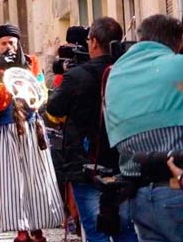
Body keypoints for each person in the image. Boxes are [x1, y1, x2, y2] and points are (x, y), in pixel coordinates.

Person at [44, 18, 137, 242]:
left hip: (87, 164)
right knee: (126, 229)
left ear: (93, 42)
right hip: (124, 160)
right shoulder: (129, 73)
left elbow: (53, 110)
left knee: (96, 231)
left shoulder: (76, 76)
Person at [0, 24, 63, 242]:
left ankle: (38, 227)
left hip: (32, 127)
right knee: (11, 179)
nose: (8, 46)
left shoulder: (32, 62)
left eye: (11, 42)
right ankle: (21, 229)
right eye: (3, 43)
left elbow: (42, 94)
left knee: (37, 177)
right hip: (5, 128)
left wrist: (30, 93)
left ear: (18, 43)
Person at [104, 14, 183, 242]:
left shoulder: (115, 74)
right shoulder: (177, 66)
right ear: (178, 42)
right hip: (176, 189)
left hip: (139, 199)